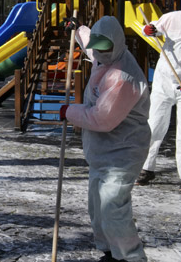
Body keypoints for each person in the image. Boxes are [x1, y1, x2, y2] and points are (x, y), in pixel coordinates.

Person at [60, 16, 150, 262]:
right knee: (97, 207)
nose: (99, 53)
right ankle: (110, 252)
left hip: (123, 151)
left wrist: (69, 112)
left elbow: (102, 118)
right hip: (101, 152)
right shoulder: (105, 55)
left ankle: (131, 258)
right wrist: (77, 29)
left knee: (112, 207)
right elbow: (93, 43)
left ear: (117, 44)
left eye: (105, 47)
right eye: (97, 48)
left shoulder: (123, 77)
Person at [135, 12, 181, 186]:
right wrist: (149, 29)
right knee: (154, 126)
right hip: (164, 82)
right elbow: (151, 28)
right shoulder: (173, 17)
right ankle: (146, 168)